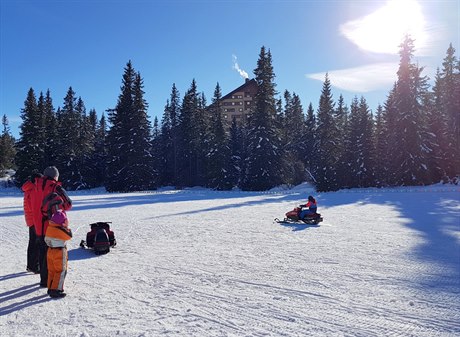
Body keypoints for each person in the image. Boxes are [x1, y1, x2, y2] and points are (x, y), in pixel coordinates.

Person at [30, 166, 72, 288]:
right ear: (55, 176)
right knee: (54, 255)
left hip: (38, 224)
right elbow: (68, 204)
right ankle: (51, 281)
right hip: (52, 226)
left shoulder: (35, 185)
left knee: (43, 252)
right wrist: (58, 209)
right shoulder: (55, 187)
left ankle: (44, 280)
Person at [45, 210, 72, 298]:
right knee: (61, 271)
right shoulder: (59, 230)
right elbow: (69, 236)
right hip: (59, 252)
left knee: (52, 271)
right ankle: (56, 289)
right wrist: (66, 227)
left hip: (50, 251)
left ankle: (50, 287)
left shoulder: (50, 227)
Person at [21, 171, 42, 274]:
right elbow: (33, 206)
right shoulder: (33, 189)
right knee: (36, 243)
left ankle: (31, 265)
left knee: (32, 243)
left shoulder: (28, 188)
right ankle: (34, 266)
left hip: (31, 219)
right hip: (34, 220)